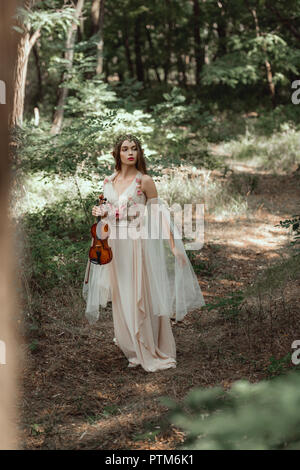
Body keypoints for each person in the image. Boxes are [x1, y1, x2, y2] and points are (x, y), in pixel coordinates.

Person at [82, 134, 205, 372]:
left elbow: (160, 214)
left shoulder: (144, 181)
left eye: (134, 149)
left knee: (138, 295)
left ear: (139, 153)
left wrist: (173, 246)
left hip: (136, 244)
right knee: (120, 296)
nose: (130, 152)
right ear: (117, 153)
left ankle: (149, 346)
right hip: (113, 245)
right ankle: (131, 348)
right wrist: (99, 210)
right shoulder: (109, 181)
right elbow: (106, 213)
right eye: (125, 149)